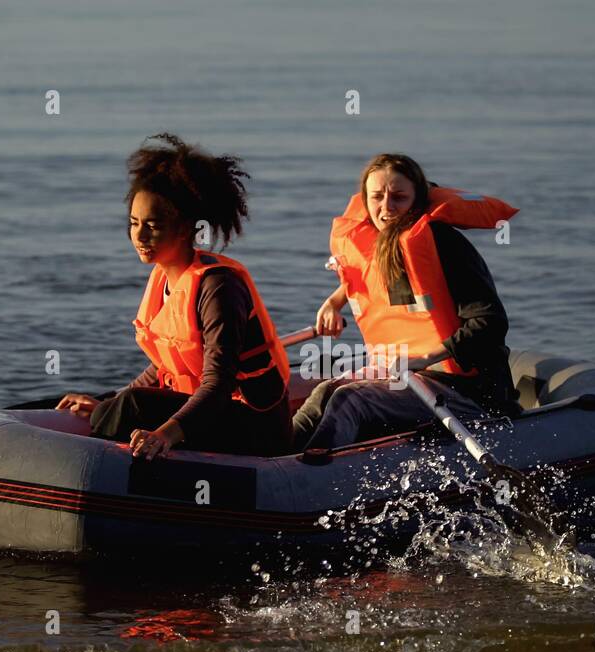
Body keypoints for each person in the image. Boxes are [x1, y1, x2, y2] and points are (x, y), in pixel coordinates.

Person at [57, 133, 292, 459]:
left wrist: (163, 435)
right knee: (128, 402)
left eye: (152, 225)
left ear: (185, 228)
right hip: (208, 415)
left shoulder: (218, 287)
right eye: (134, 223)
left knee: (133, 405)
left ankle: (86, 463)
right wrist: (107, 406)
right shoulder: (164, 278)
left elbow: (218, 385)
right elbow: (164, 367)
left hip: (256, 426)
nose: (139, 235)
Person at [291, 153, 523, 450]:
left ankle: (313, 477)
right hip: (408, 374)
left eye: (398, 197)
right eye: (376, 197)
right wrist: (336, 300)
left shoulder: (443, 244)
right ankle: (276, 461)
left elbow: (490, 322)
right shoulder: (380, 240)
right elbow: (387, 286)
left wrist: (425, 358)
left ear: (417, 199)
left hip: (468, 391)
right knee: (325, 390)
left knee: (350, 400)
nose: (386, 208)